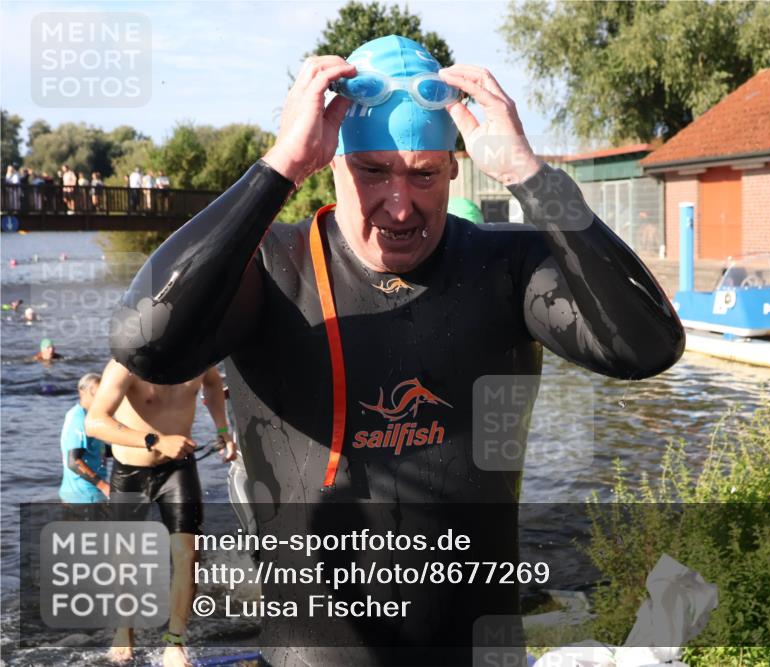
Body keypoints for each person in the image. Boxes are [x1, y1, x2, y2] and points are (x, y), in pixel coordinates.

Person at [108, 35, 684, 666]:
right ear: (332, 163)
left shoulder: (506, 267)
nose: (400, 205)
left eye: (424, 173)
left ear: (454, 168)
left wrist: (531, 176)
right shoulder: (269, 269)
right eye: (373, 170)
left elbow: (646, 346)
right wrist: (278, 167)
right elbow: (146, 344)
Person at [85, 360, 236, 667]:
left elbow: (212, 384)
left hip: (179, 471)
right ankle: (124, 630)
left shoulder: (198, 355)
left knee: (188, 556)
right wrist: (156, 440)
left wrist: (223, 430)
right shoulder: (127, 363)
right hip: (130, 472)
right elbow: (95, 421)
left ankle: (175, 643)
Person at [59, 373, 110, 503]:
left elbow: (96, 449)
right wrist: (103, 486)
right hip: (83, 496)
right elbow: (74, 462)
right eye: (96, 394)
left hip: (90, 493)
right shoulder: (79, 419)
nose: (101, 398)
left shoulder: (91, 417)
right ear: (82, 392)